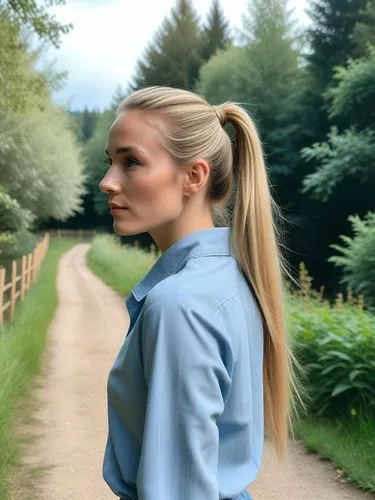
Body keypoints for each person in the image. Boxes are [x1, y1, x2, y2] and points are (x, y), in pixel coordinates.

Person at [99, 86, 291, 500]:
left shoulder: (180, 305)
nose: (107, 182)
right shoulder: (232, 276)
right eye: (110, 162)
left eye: (131, 161)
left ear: (194, 176)